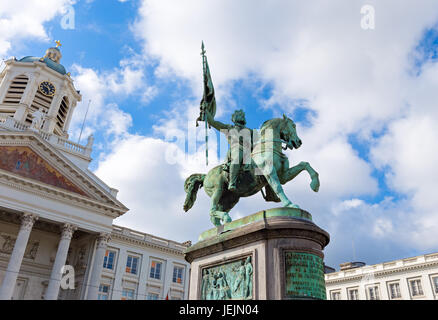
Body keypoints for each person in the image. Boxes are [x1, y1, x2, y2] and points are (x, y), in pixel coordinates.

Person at [205, 109, 253, 191]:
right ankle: (232, 182)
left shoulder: (250, 131)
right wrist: (206, 112)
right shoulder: (229, 128)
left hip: (250, 151)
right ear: (235, 118)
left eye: (243, 115)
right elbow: (213, 122)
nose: (242, 117)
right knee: (237, 159)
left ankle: (270, 191)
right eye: (240, 115)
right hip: (237, 148)